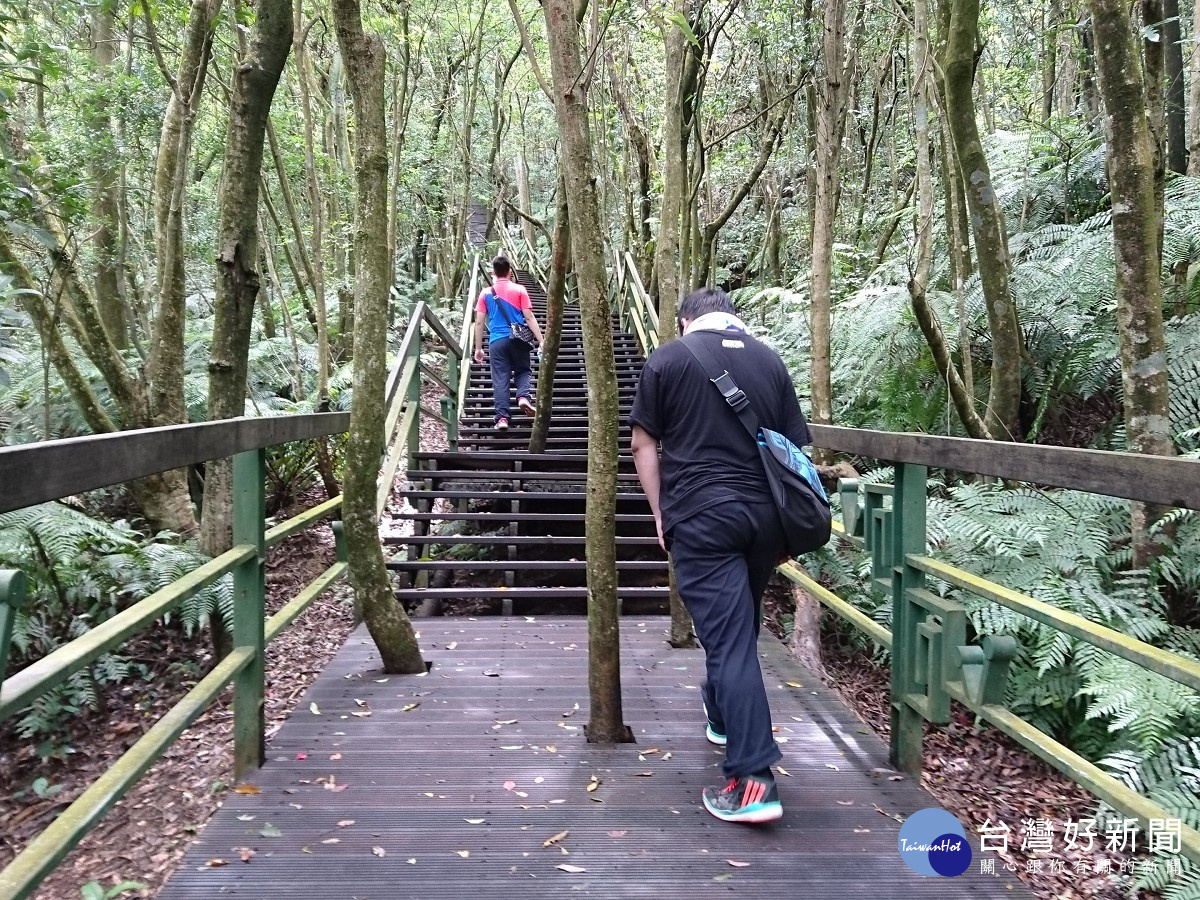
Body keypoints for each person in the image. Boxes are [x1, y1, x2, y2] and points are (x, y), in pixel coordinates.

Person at [628, 287, 812, 825]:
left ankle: (753, 781)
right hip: (763, 519)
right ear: (734, 318)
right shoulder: (770, 361)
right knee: (737, 628)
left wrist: (662, 514)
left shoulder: (667, 357)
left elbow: (643, 444)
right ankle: (722, 712)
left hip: (702, 518)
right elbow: (795, 449)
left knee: (731, 638)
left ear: (686, 321)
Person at [473, 256, 544, 430]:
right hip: (518, 339)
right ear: (510, 272)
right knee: (523, 370)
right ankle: (523, 397)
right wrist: (542, 340)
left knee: (500, 379)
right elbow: (528, 317)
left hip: (497, 341)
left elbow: (480, 322)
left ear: (493, 273)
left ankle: (502, 418)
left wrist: (478, 348)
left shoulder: (485, 293)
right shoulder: (520, 289)